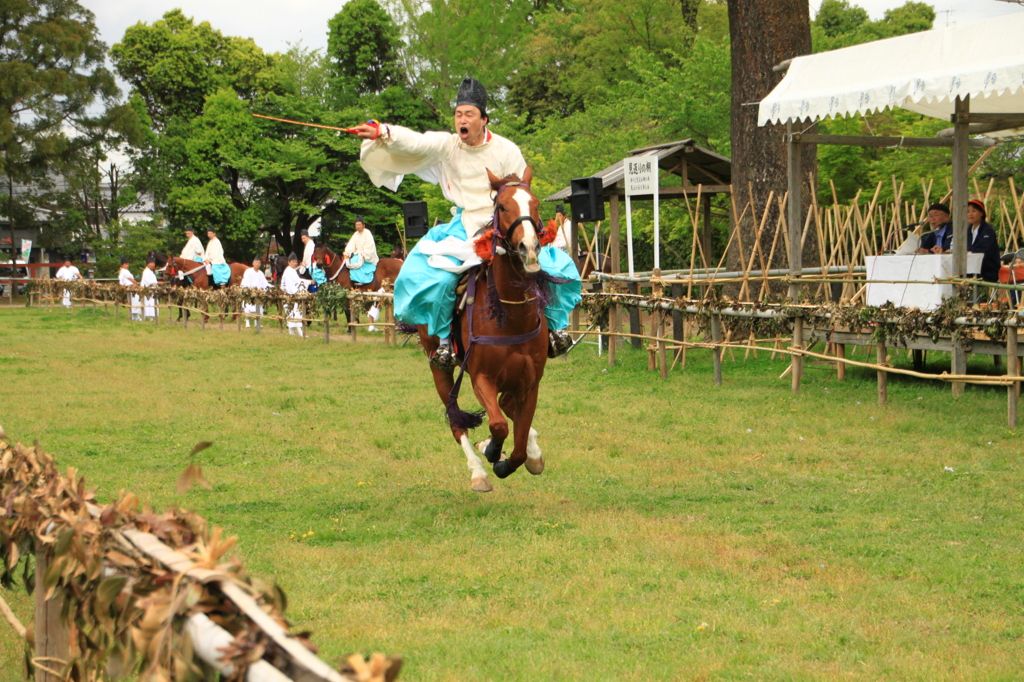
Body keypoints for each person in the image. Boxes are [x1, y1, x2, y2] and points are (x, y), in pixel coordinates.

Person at [354, 76, 581, 370]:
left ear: (484, 119)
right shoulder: (448, 146)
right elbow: (418, 141)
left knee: (557, 269)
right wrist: (382, 131)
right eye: (458, 114)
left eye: (469, 114)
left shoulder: (506, 150)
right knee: (426, 276)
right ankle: (446, 343)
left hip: (506, 227)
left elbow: (521, 193)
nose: (462, 119)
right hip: (464, 227)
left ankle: (555, 330)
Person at [965, 199, 1000, 283]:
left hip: (986, 270)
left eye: (974, 211)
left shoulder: (987, 230)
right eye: (968, 211)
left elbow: (983, 249)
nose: (970, 214)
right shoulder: (968, 230)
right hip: (971, 270)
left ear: (981, 213)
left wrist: (968, 252)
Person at [342, 215, 379, 285]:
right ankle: (354, 279)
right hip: (358, 255)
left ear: (363, 225)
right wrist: (347, 253)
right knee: (352, 261)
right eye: (356, 225)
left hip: (367, 256)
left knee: (356, 260)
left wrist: (363, 255)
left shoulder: (367, 233)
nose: (358, 226)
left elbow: (369, 246)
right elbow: (351, 245)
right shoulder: (355, 234)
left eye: (359, 225)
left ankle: (362, 280)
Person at [279, 252, 308, 336]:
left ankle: (293, 331)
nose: (295, 263)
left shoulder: (291, 271)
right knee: (294, 312)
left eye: (296, 262)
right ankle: (297, 331)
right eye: (293, 262)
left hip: (290, 294)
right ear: (289, 262)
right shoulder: (289, 271)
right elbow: (297, 282)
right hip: (290, 294)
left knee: (293, 312)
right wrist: (309, 282)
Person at [240, 256, 270, 327]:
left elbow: (264, 283)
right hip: (250, 292)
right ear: (253, 263)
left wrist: (267, 289)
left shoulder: (261, 273)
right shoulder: (248, 271)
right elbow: (246, 282)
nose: (257, 264)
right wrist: (249, 291)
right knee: (248, 307)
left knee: (258, 308)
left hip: (258, 293)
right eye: (256, 262)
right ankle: (247, 322)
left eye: (259, 263)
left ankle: (257, 322)